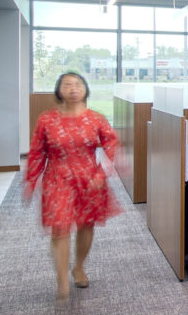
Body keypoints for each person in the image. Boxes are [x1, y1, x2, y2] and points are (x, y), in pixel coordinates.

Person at [24, 72, 122, 299]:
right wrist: (31, 179)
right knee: (60, 227)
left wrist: (102, 172)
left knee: (86, 225)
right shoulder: (46, 120)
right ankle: (61, 281)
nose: (73, 88)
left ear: (86, 89)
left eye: (78, 84)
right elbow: (37, 151)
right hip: (57, 178)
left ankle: (78, 267)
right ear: (59, 91)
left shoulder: (96, 118)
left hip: (89, 179)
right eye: (67, 84)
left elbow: (111, 144)